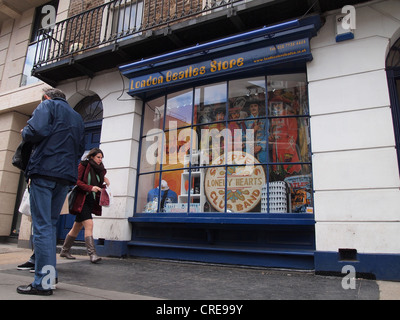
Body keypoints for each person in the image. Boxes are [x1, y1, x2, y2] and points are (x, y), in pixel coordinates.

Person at [17, 88, 85, 296]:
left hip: (44, 172)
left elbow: (34, 131)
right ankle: (49, 274)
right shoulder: (77, 117)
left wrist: (24, 131)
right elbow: (80, 147)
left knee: (42, 226)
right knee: (50, 224)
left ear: (46, 97)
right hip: (65, 177)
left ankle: (43, 282)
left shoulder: (47, 105)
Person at [60, 148, 110, 263]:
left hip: (90, 200)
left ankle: (64, 250)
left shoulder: (100, 170)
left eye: (101, 158)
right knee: (89, 224)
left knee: (76, 227)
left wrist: (104, 182)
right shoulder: (84, 165)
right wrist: (90, 188)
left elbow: (96, 184)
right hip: (81, 200)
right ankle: (92, 254)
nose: (100, 160)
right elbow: (76, 181)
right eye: (98, 157)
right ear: (92, 156)